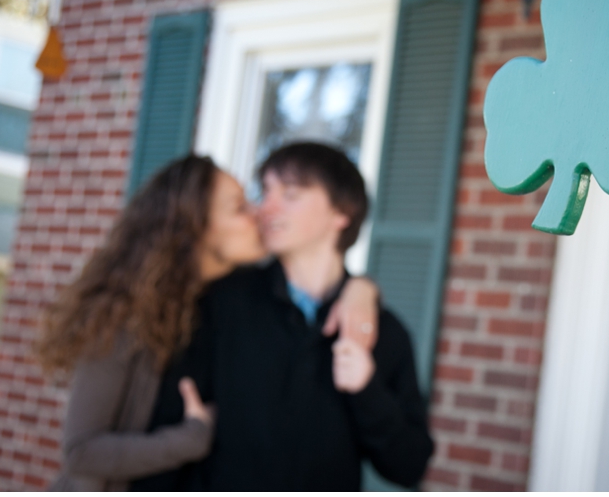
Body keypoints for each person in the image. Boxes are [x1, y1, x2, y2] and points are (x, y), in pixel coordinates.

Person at [34, 154, 380, 491]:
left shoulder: (224, 301)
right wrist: (190, 439)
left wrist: (360, 290)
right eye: (239, 208)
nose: (259, 212)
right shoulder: (126, 315)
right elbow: (81, 452)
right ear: (194, 226)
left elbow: (315, 279)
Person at [134, 142, 434, 491]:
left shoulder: (384, 332)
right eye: (266, 192)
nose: (265, 208)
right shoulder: (221, 302)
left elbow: (409, 465)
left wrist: (366, 390)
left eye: (290, 194)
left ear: (342, 213)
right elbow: (167, 433)